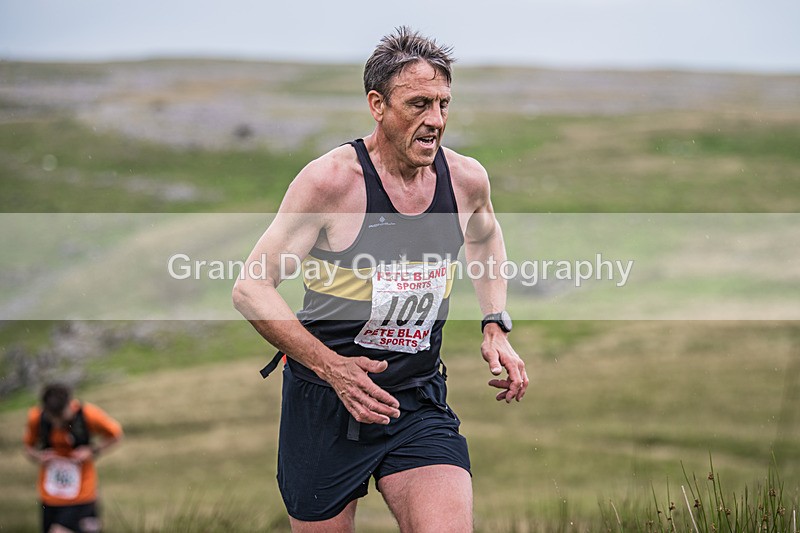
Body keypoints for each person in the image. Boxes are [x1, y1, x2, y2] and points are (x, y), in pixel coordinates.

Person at [233, 26, 528, 532]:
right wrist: (334, 369)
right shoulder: (331, 182)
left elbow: (484, 237)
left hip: (415, 398)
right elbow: (250, 288)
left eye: (443, 103)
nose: (435, 120)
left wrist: (494, 322)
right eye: (418, 104)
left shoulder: (465, 180)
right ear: (377, 104)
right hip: (324, 400)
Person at [23, 383, 123, 533]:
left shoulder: (88, 415)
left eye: (61, 416)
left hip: (83, 494)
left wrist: (92, 450)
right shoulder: (36, 418)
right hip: (50, 495)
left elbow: (116, 435)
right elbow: (28, 448)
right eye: (53, 418)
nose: (57, 423)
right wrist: (39, 457)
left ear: (70, 404)